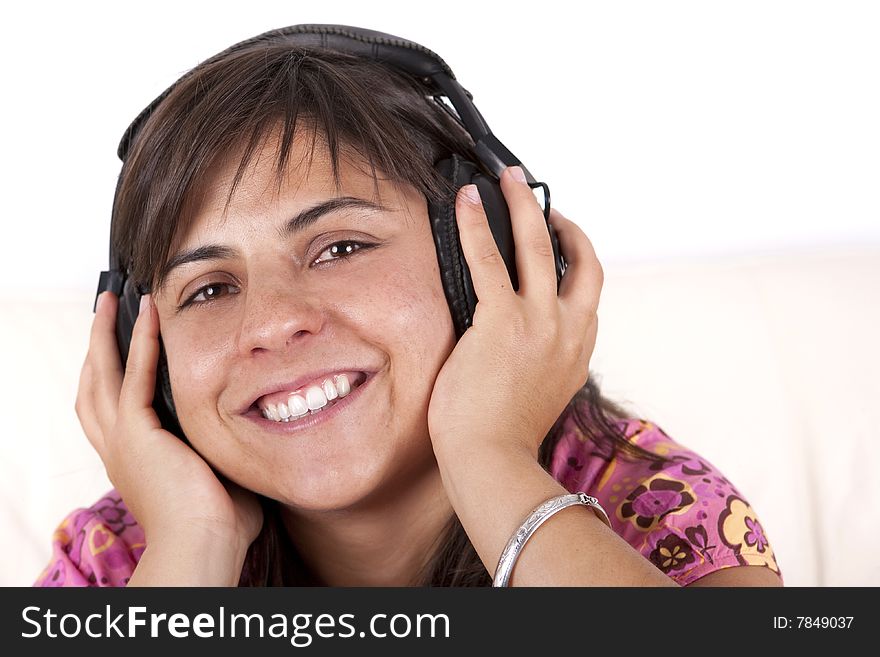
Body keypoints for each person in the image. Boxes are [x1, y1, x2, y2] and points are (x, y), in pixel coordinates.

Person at [35, 25, 782, 587]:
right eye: (209, 289)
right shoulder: (131, 554)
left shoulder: (651, 502)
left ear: (486, 254)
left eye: (338, 248)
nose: (270, 323)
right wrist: (192, 545)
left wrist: (488, 456)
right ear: (144, 348)